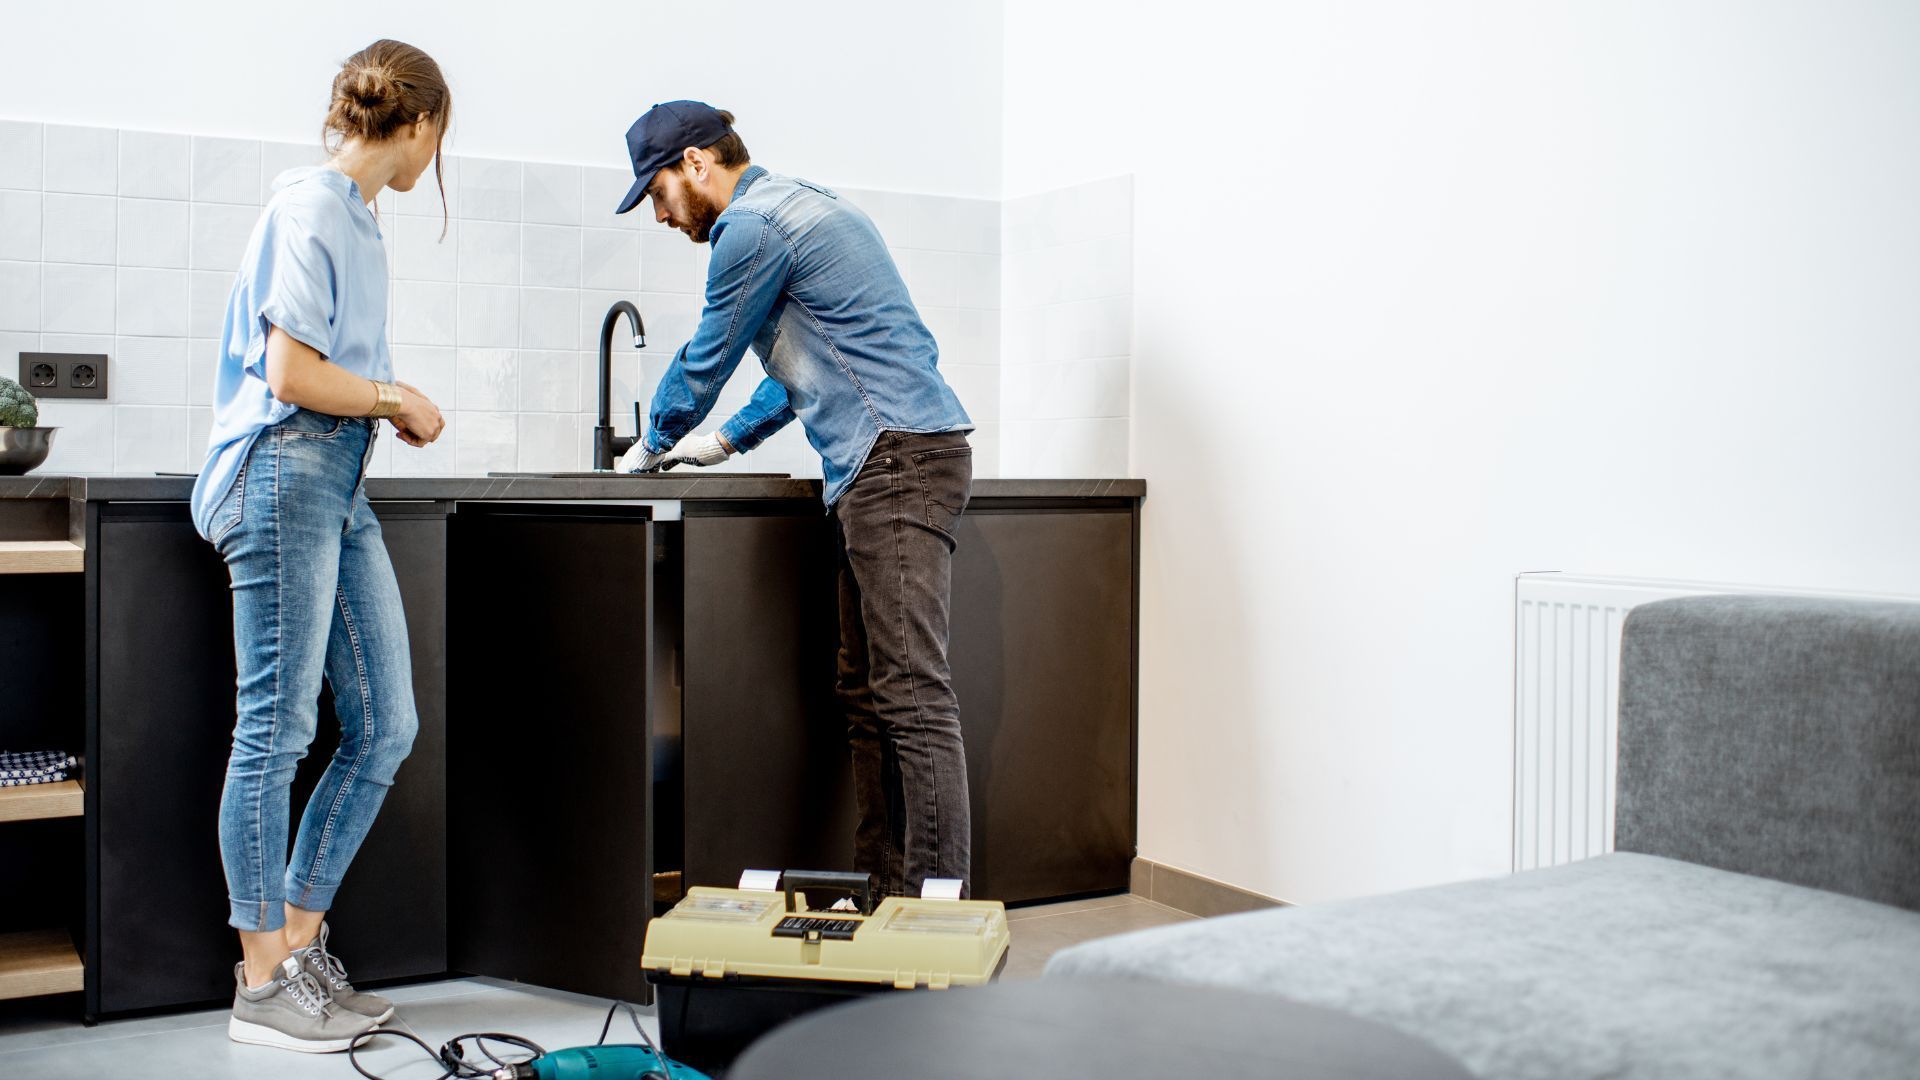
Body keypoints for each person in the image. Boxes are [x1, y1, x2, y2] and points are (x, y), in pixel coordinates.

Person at [613, 102, 977, 900]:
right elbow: (821, 361)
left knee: (912, 693)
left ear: (699, 164)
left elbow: (708, 355)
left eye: (660, 192)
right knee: (870, 693)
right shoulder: (811, 206)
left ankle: (940, 919)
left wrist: (649, 445)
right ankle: (886, 893)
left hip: (897, 461)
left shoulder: (752, 229)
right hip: (888, 460)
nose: (662, 214)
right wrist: (729, 441)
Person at [189, 38, 450, 1053]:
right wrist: (399, 398)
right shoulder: (310, 204)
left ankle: (298, 948)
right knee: (277, 729)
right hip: (283, 465)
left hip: (335, 476)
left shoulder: (359, 220)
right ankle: (260, 982)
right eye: (442, 136)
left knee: (385, 724)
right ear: (421, 124)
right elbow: (292, 373)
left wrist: (382, 407)